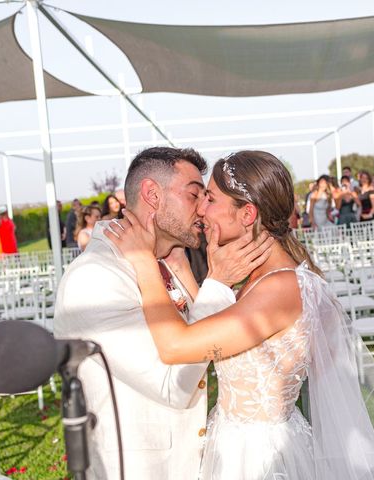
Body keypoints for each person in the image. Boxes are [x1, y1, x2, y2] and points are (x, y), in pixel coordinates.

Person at [107, 150, 374, 480]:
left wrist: (144, 262)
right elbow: (227, 336)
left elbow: (176, 347)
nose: (200, 208)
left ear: (247, 214)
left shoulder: (280, 288)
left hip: (259, 457)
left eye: (210, 198)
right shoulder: (264, 278)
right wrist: (187, 270)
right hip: (236, 443)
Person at [54, 147, 273, 480]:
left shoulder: (165, 263)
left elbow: (212, 349)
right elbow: (174, 384)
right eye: (193, 195)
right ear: (152, 195)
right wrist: (216, 283)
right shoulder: (95, 277)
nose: (203, 208)